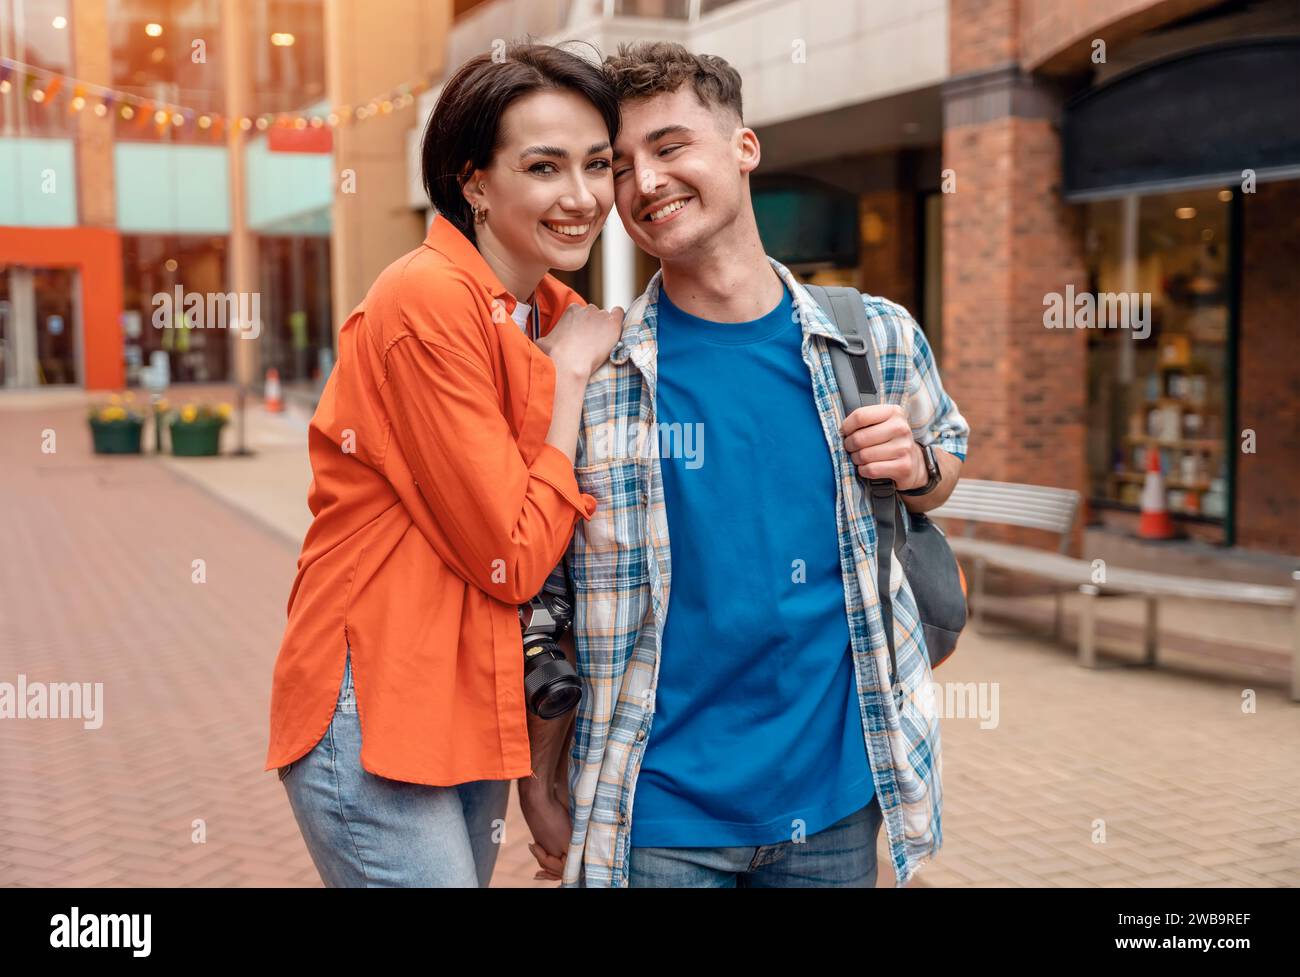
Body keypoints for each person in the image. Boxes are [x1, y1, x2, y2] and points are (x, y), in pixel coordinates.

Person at [542, 42, 971, 888]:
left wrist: (917, 464)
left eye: (669, 147)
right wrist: (538, 782)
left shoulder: (872, 334)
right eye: (619, 166)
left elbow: (947, 460)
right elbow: (542, 596)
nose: (646, 182)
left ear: (744, 147)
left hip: (837, 805)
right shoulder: (595, 374)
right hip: (653, 814)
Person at [264, 43, 624, 887]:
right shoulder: (426, 299)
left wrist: (538, 775)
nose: (582, 197)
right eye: (544, 167)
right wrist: (568, 378)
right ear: (473, 182)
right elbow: (514, 553)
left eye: (597, 164)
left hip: (469, 704)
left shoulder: (551, 311)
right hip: (375, 699)